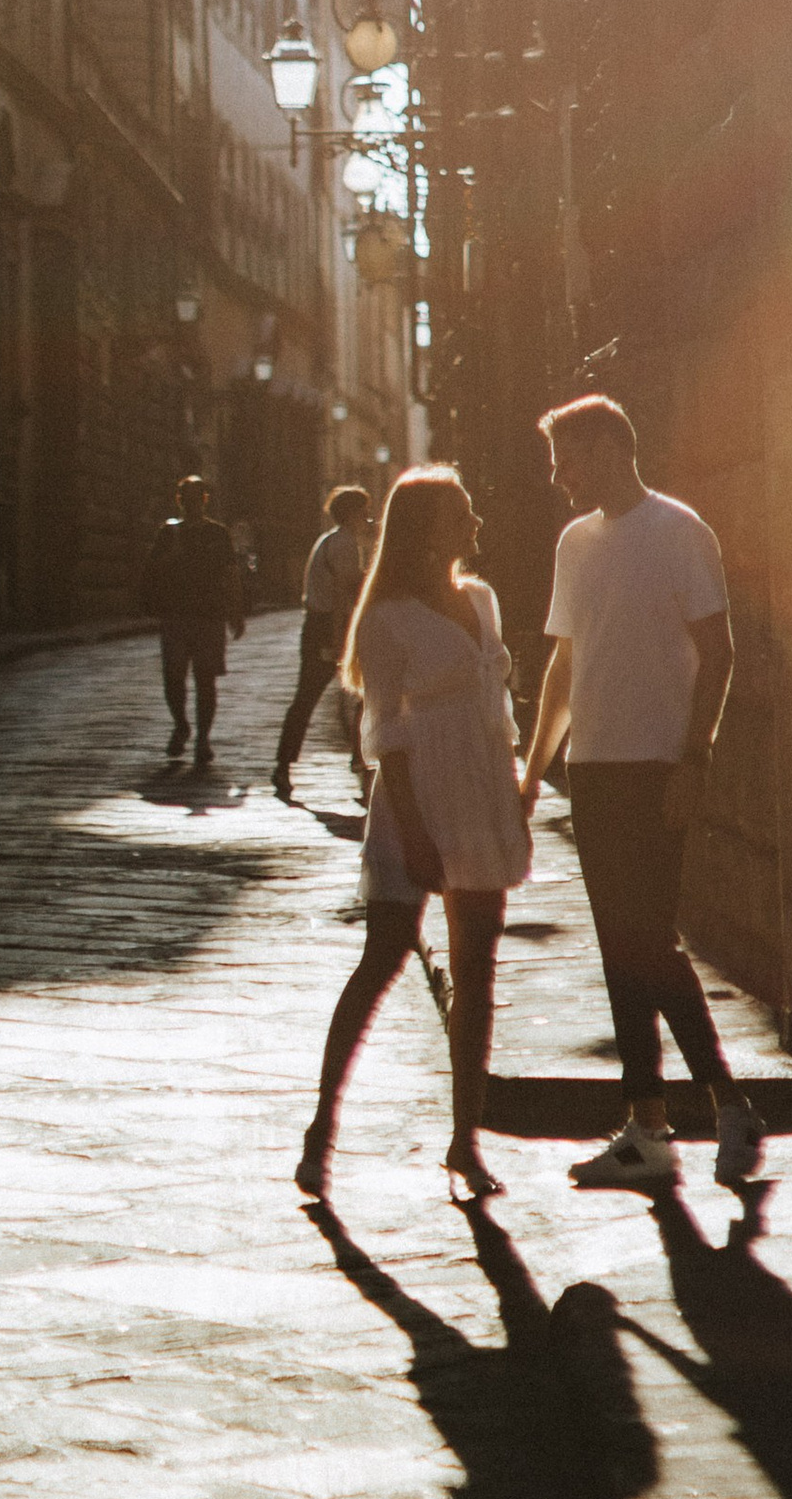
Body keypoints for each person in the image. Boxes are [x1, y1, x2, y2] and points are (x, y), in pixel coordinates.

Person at [519, 394, 763, 1192]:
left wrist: (696, 758)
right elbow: (562, 665)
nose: (557, 477)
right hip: (592, 767)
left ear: (605, 445)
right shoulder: (573, 543)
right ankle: (648, 1124)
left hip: (656, 764)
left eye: (566, 458)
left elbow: (719, 652)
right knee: (622, 949)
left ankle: (728, 1102)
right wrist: (534, 769)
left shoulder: (681, 529)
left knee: (649, 944)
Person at [297, 464, 530, 1202]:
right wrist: (415, 829)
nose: (477, 525)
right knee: (385, 955)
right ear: (427, 525)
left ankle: (466, 1139)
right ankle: (321, 1125)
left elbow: (496, 702)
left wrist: (514, 786)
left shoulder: (483, 599)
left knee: (480, 967)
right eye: (462, 512)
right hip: (416, 794)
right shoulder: (386, 614)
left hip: (482, 787)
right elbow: (385, 733)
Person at [135, 474, 246, 766]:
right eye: (188, 498)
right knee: (173, 679)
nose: (193, 503)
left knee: (205, 681)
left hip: (209, 616)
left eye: (198, 498)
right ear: (180, 500)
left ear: (205, 500)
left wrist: (236, 611)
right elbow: (151, 569)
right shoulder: (168, 533)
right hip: (175, 615)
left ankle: (202, 740)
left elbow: (230, 574)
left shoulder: (217, 534)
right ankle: (182, 725)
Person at [274, 482, 374, 803]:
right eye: (363, 512)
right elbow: (343, 596)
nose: (367, 518)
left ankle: (284, 765)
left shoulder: (329, 540)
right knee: (354, 697)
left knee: (313, 699)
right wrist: (340, 642)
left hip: (318, 626)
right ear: (352, 513)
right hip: (330, 628)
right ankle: (356, 761)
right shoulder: (343, 544)